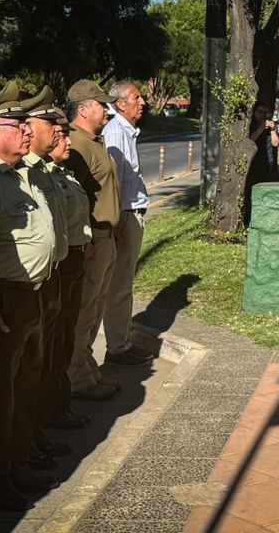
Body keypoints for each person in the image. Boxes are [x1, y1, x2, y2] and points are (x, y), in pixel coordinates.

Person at [0, 81, 56, 510]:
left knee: (26, 386)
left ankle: (20, 462)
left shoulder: (19, 174)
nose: (27, 131)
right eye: (17, 124)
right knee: (1, 396)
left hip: (33, 293)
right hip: (5, 297)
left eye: (27, 124)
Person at [18, 86, 76, 466]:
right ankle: (14, 455)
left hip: (50, 275)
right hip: (17, 290)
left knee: (42, 365)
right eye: (47, 123)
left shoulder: (40, 172)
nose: (57, 131)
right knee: (17, 382)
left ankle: (32, 437)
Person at [64, 79, 124, 400]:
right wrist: (85, 240)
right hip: (93, 240)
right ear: (84, 109)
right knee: (85, 310)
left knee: (96, 308)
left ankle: (87, 368)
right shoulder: (77, 146)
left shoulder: (94, 141)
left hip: (106, 237)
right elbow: (77, 199)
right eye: (102, 105)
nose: (107, 110)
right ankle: (76, 377)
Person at [44, 109, 94, 428]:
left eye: (66, 133)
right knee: (51, 345)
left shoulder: (63, 172)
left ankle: (59, 405)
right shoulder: (44, 175)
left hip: (74, 260)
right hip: (59, 267)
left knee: (64, 340)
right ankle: (49, 411)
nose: (66, 140)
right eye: (59, 134)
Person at [102, 80, 155, 367]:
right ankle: (118, 347)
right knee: (119, 285)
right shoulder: (115, 133)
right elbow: (114, 181)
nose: (143, 102)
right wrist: (119, 219)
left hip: (130, 212)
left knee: (123, 283)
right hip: (124, 214)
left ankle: (121, 340)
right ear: (121, 103)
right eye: (137, 97)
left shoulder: (125, 131)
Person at [249, 103, 279, 182]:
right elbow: (250, 140)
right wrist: (261, 128)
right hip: (254, 165)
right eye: (260, 112)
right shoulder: (251, 126)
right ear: (255, 113)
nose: (262, 115)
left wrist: (273, 130)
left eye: (265, 112)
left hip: (268, 164)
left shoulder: (270, 127)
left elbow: (276, 143)